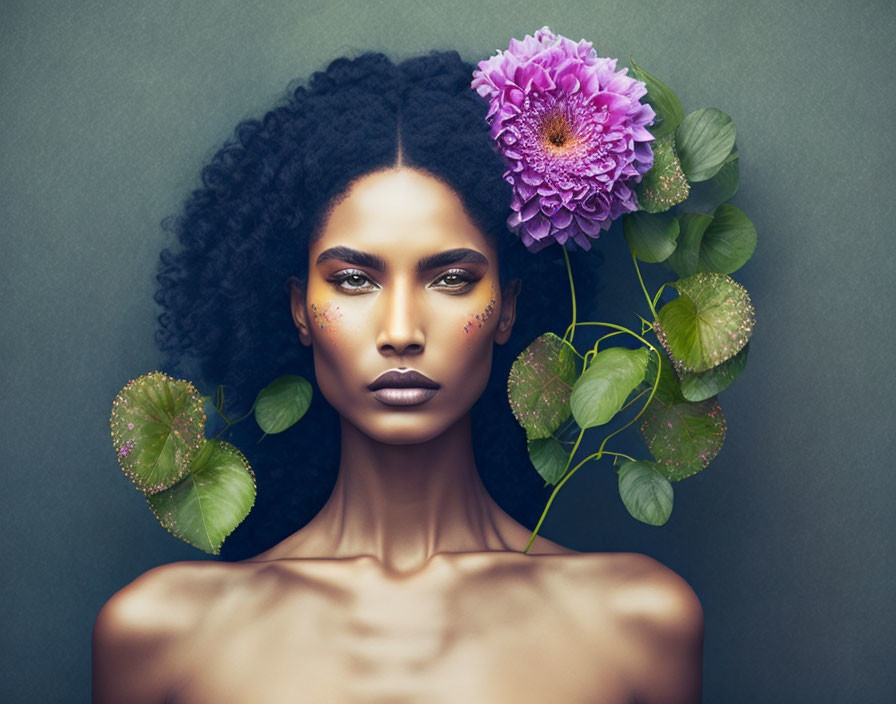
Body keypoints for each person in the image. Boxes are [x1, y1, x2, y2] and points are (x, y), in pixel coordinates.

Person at [92, 50, 703, 703]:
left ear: (510, 308)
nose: (402, 329)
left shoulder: (636, 625)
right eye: (355, 279)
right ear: (299, 309)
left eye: (450, 279)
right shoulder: (164, 636)